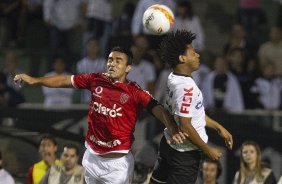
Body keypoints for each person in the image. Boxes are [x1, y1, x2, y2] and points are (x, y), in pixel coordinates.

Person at [14, 46, 186, 184]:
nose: (112, 63)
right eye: (110, 60)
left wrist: (171, 127)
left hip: (117, 165)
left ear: (128, 67)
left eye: (118, 61)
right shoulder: (96, 79)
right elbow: (65, 80)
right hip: (91, 157)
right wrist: (35, 80)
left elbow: (156, 107)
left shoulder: (134, 92)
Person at [149, 30, 233, 184]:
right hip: (184, 155)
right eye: (193, 52)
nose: (198, 55)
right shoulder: (186, 88)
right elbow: (186, 125)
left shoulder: (173, 76)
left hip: (169, 143)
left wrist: (218, 127)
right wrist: (208, 150)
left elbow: (193, 114)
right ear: (182, 58)